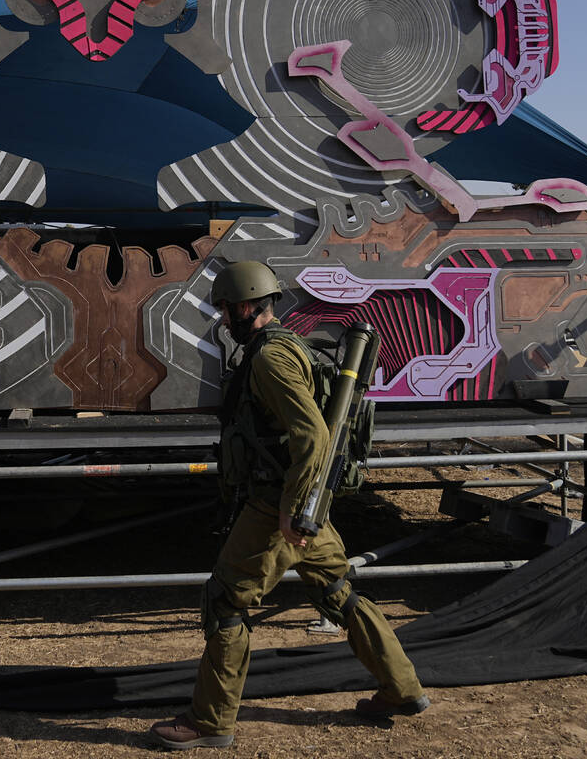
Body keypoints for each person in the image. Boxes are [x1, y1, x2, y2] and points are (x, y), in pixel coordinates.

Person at [149, 261, 429, 750]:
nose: (225, 318)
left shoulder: (269, 360)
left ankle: (210, 721)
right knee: (340, 592)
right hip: (301, 502)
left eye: (227, 308)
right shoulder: (287, 346)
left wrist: (291, 510)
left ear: (245, 306)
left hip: (277, 506)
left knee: (226, 602)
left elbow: (312, 435)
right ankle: (400, 688)